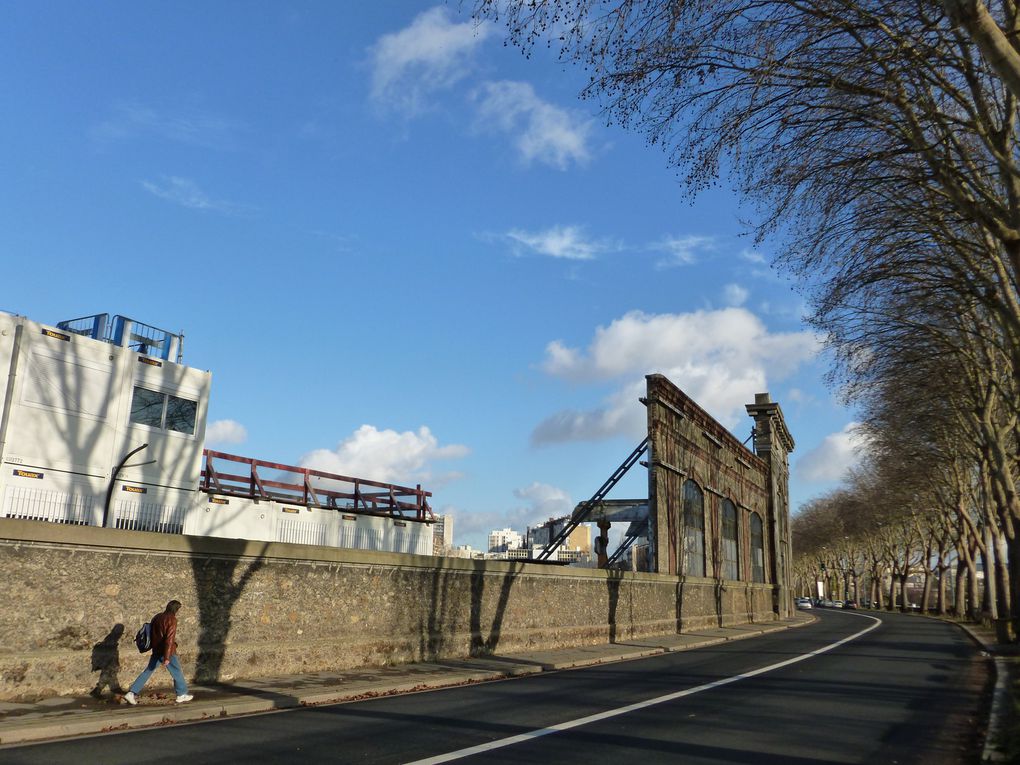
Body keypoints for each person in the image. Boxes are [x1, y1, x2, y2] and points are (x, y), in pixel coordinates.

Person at [123, 600, 193, 705]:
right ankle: (181, 694)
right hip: (167, 651)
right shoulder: (172, 620)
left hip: (156, 649)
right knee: (177, 671)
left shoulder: (157, 616)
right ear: (176, 609)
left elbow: (151, 632)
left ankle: (132, 693)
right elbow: (169, 639)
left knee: (148, 671)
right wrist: (167, 657)